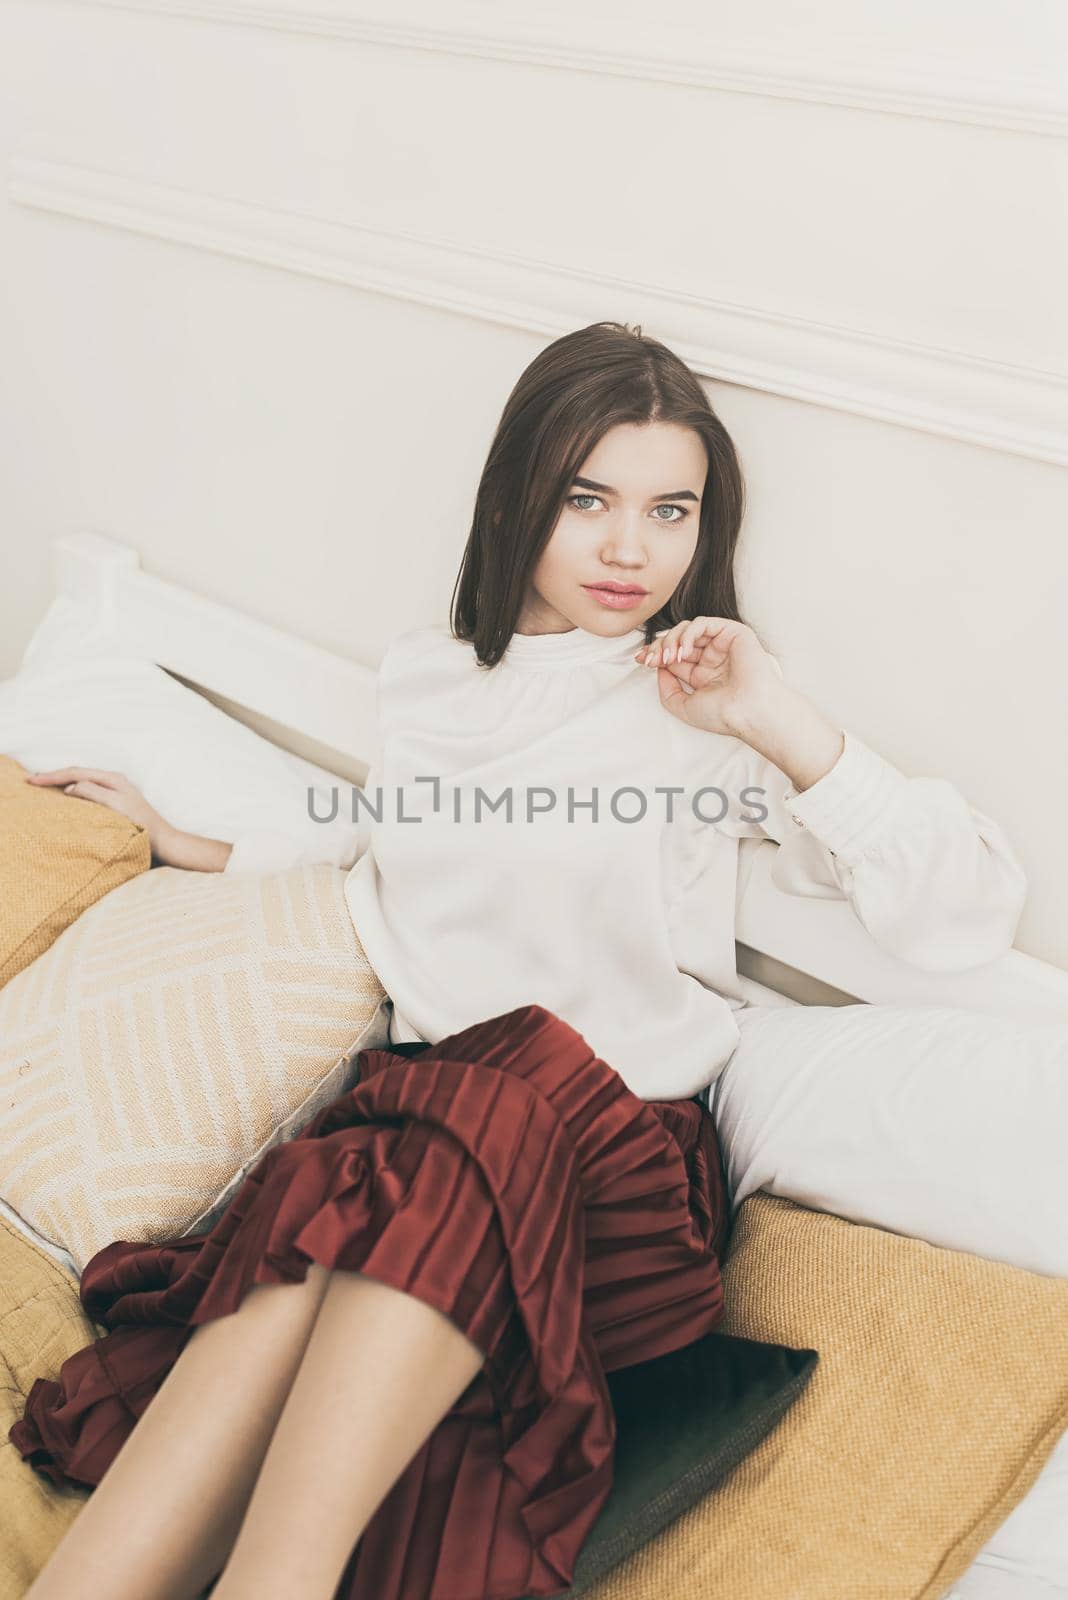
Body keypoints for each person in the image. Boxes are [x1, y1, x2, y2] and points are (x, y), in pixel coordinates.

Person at [12, 321, 1027, 1600]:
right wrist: (182, 841)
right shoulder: (430, 686)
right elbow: (394, 862)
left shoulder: (701, 709)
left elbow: (961, 914)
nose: (628, 547)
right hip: (423, 1144)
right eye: (588, 498)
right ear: (519, 497)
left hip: (612, 1179)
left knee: (458, 1111)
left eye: (671, 510)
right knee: (377, 1152)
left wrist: (769, 712)